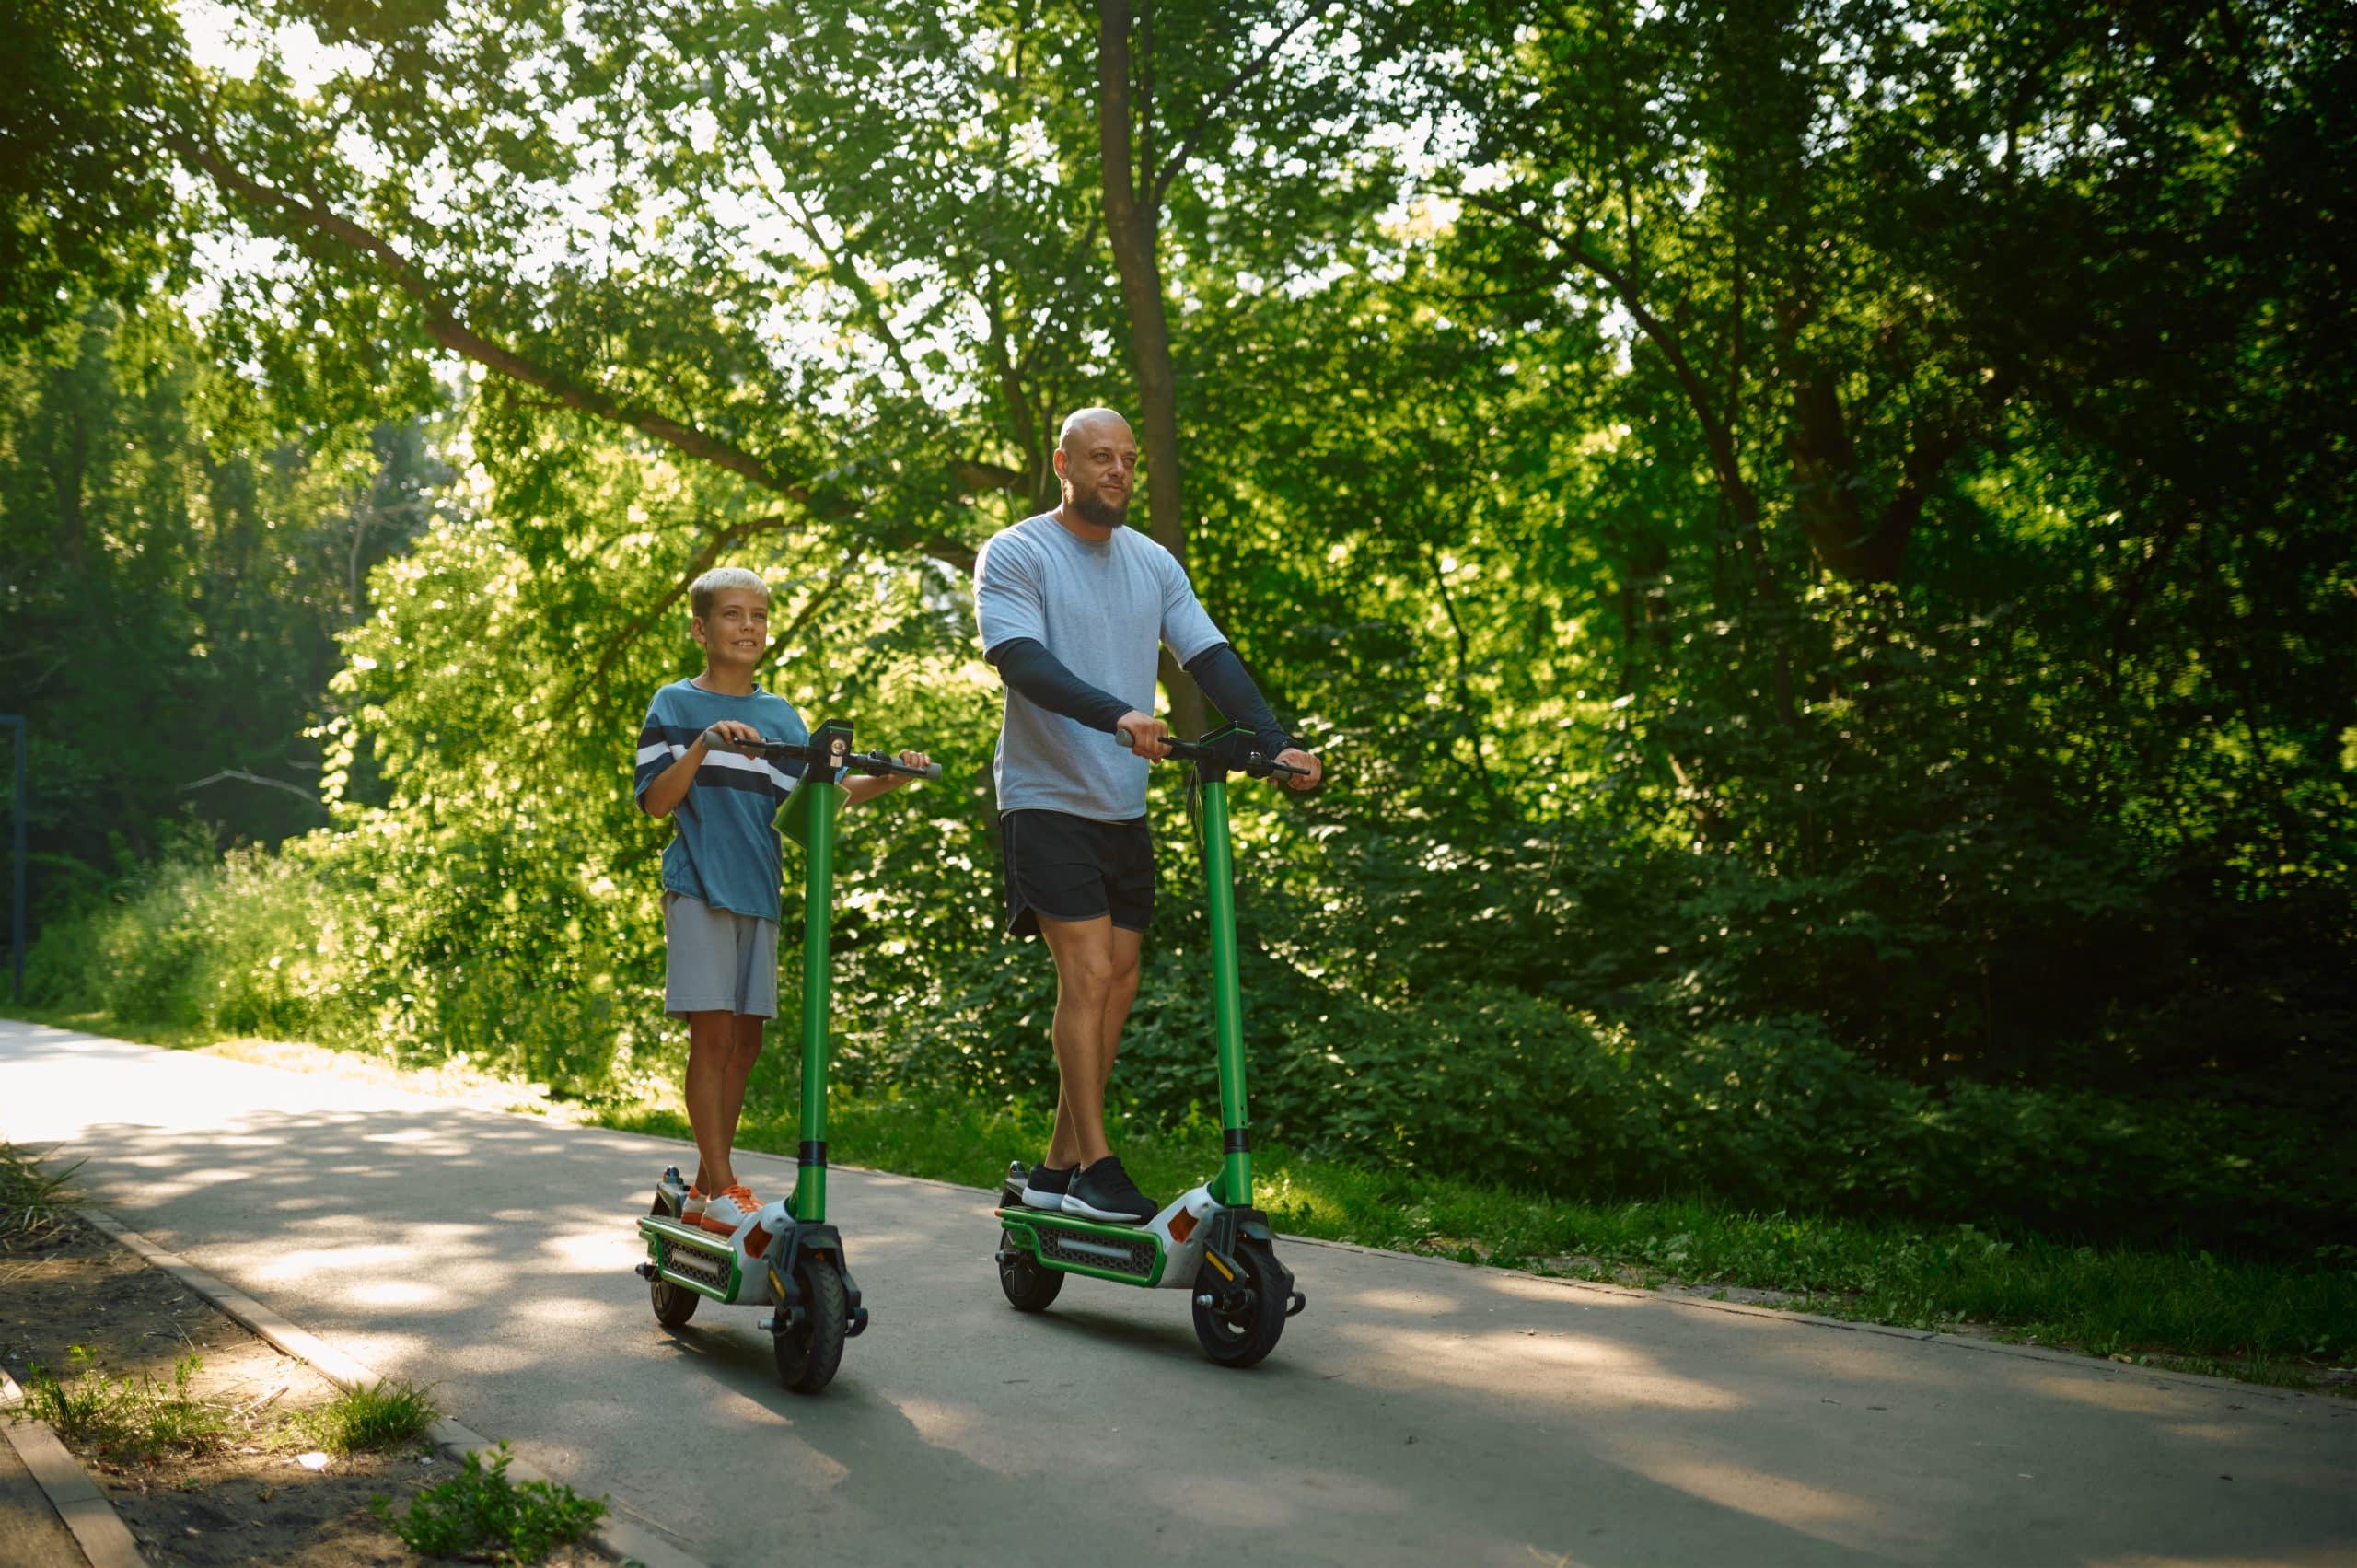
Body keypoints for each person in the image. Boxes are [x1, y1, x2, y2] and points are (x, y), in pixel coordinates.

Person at [974, 408, 1321, 1225]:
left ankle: (1057, 1167)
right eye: (1101, 457)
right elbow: (1018, 660)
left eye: (1130, 459)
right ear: (1064, 462)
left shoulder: (1152, 562)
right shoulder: (1018, 551)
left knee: (1118, 985)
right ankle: (1098, 1165)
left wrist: (1276, 743)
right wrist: (1118, 714)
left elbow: (1206, 653)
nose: (1120, 471)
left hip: (1119, 806)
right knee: (1087, 974)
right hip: (1045, 795)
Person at [633, 566, 928, 1237]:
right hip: (698, 887)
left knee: (746, 1042)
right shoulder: (673, 705)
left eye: (758, 616)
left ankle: (712, 1186)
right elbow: (656, 801)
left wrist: (890, 776)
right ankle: (719, 1180)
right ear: (701, 629)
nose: (747, 627)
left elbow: (814, 804)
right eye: (732, 615)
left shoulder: (779, 717)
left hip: (758, 893)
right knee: (710, 1038)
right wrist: (705, 744)